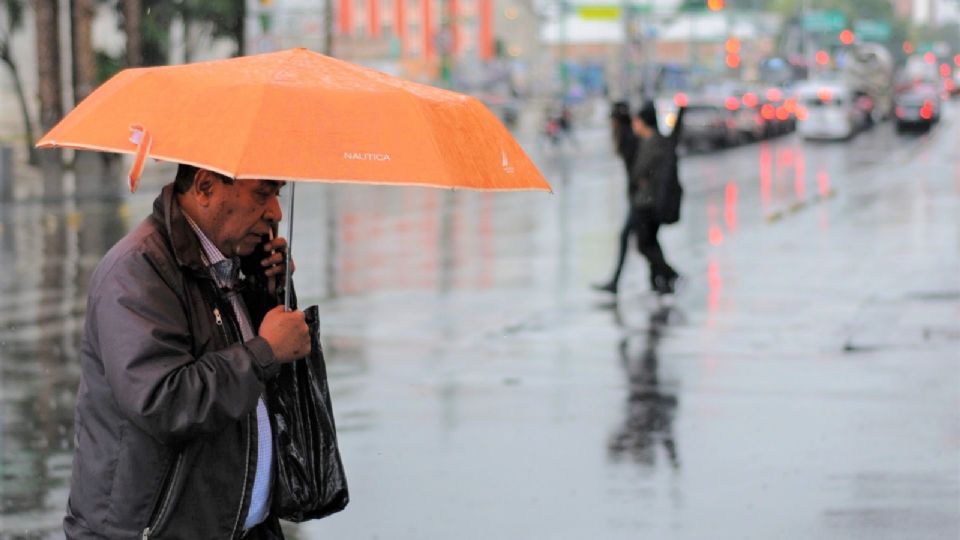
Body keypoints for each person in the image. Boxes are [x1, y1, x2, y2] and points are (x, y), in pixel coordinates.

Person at [63, 165, 311, 539]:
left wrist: (267, 293)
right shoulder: (137, 271)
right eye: (262, 194)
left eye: (279, 193)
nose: (275, 211)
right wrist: (265, 352)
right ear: (205, 187)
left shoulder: (230, 264)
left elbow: (258, 393)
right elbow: (164, 400)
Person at [630, 100, 680, 295]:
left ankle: (670, 275)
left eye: (636, 121)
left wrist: (639, 180)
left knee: (645, 244)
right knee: (651, 243)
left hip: (648, 203)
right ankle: (660, 283)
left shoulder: (653, 143)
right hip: (650, 201)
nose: (634, 125)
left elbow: (640, 172)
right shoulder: (653, 141)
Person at [593, 100, 641, 294]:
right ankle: (664, 277)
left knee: (633, 239)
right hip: (637, 197)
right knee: (646, 243)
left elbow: (637, 170)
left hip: (640, 198)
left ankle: (668, 276)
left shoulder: (628, 138)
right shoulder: (627, 136)